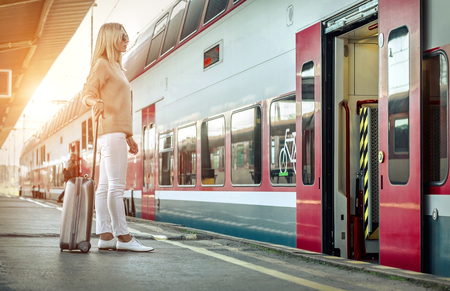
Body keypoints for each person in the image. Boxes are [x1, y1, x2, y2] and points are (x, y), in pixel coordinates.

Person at [81, 23, 153, 252]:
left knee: (104, 187)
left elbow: (121, 106)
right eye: (122, 36)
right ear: (111, 38)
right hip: (110, 134)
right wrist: (96, 102)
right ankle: (123, 237)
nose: (126, 39)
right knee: (117, 187)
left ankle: (105, 235)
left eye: (127, 35)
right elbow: (87, 93)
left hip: (114, 133)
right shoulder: (102, 65)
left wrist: (129, 136)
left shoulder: (117, 68)